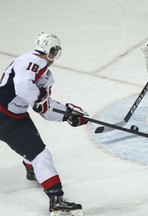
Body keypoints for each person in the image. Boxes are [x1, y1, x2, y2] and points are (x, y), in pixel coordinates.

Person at [0, 32, 87, 216]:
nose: (54, 56)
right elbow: (23, 86)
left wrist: (68, 114)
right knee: (41, 156)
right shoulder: (34, 60)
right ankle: (56, 201)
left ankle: (32, 170)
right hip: (6, 118)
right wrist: (39, 100)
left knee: (34, 151)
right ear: (49, 50)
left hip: (15, 117)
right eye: (54, 51)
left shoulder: (44, 74)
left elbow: (45, 109)